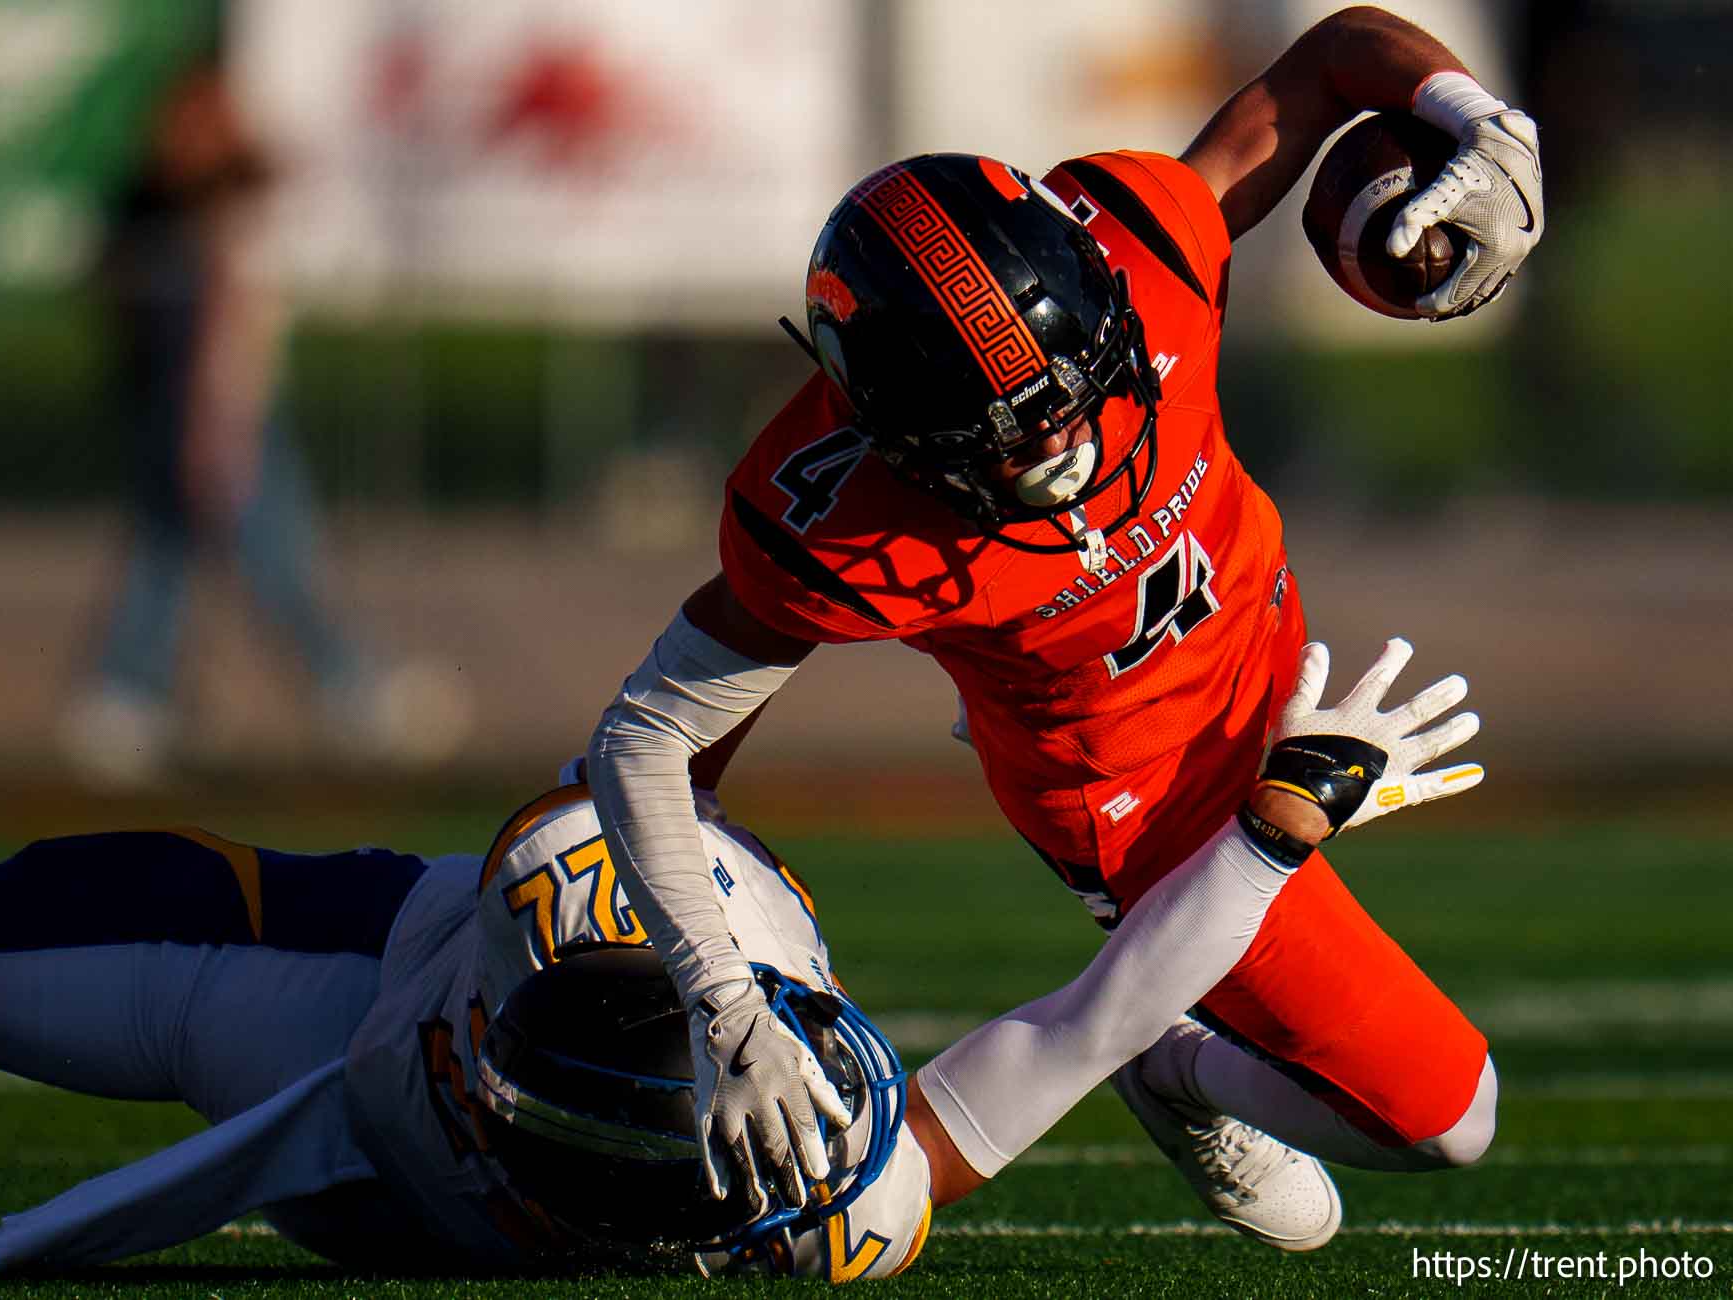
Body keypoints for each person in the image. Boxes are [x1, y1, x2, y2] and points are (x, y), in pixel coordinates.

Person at [583, 5, 1541, 1250]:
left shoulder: (1148, 246)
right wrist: (715, 989)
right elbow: (653, 741)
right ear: (891, 426)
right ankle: (1171, 1060)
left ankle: (1171, 1029)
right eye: (1005, 435)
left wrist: (1485, 122)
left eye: (1072, 394)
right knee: (1451, 1118)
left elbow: (1334, 56)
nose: (1064, 450)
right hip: (1149, 800)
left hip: (1273, 662)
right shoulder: (845, 522)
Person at [0, 782, 927, 1281]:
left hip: (324, 1018)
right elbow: (1001, 1089)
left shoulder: (566, 883)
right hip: (393, 1143)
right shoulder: (806, 1193)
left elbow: (645, 755)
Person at [64, 22, 465, 784]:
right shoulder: (168, 212)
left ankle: (127, 697)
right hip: (204, 410)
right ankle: (345, 692)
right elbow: (204, 331)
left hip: (218, 407)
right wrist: (212, 427)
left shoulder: (226, 200)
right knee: (261, 554)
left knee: (183, 552)